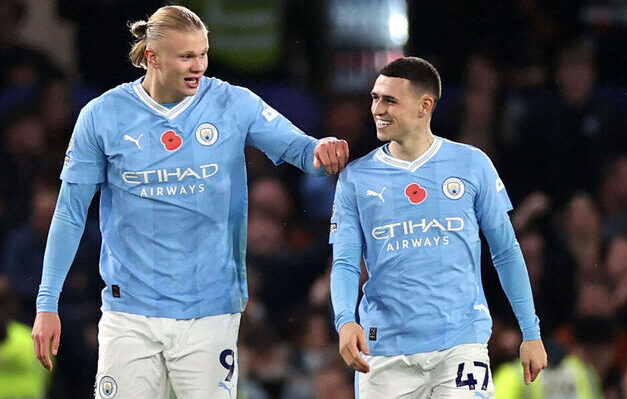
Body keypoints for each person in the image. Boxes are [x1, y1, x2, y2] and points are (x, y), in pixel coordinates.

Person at [30, 5, 348, 399]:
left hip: (210, 311)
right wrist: (48, 302)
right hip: (129, 312)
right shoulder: (102, 116)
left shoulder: (233, 103)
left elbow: (301, 150)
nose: (198, 65)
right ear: (152, 56)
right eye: (186, 56)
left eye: (203, 53)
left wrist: (322, 150)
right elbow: (70, 211)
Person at [329, 57, 546, 398]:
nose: (377, 109)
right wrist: (344, 321)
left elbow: (505, 250)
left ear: (424, 106)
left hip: (460, 345)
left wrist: (530, 332)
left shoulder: (472, 164)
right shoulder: (356, 178)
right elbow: (344, 262)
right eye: (375, 98)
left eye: (390, 100)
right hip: (384, 350)